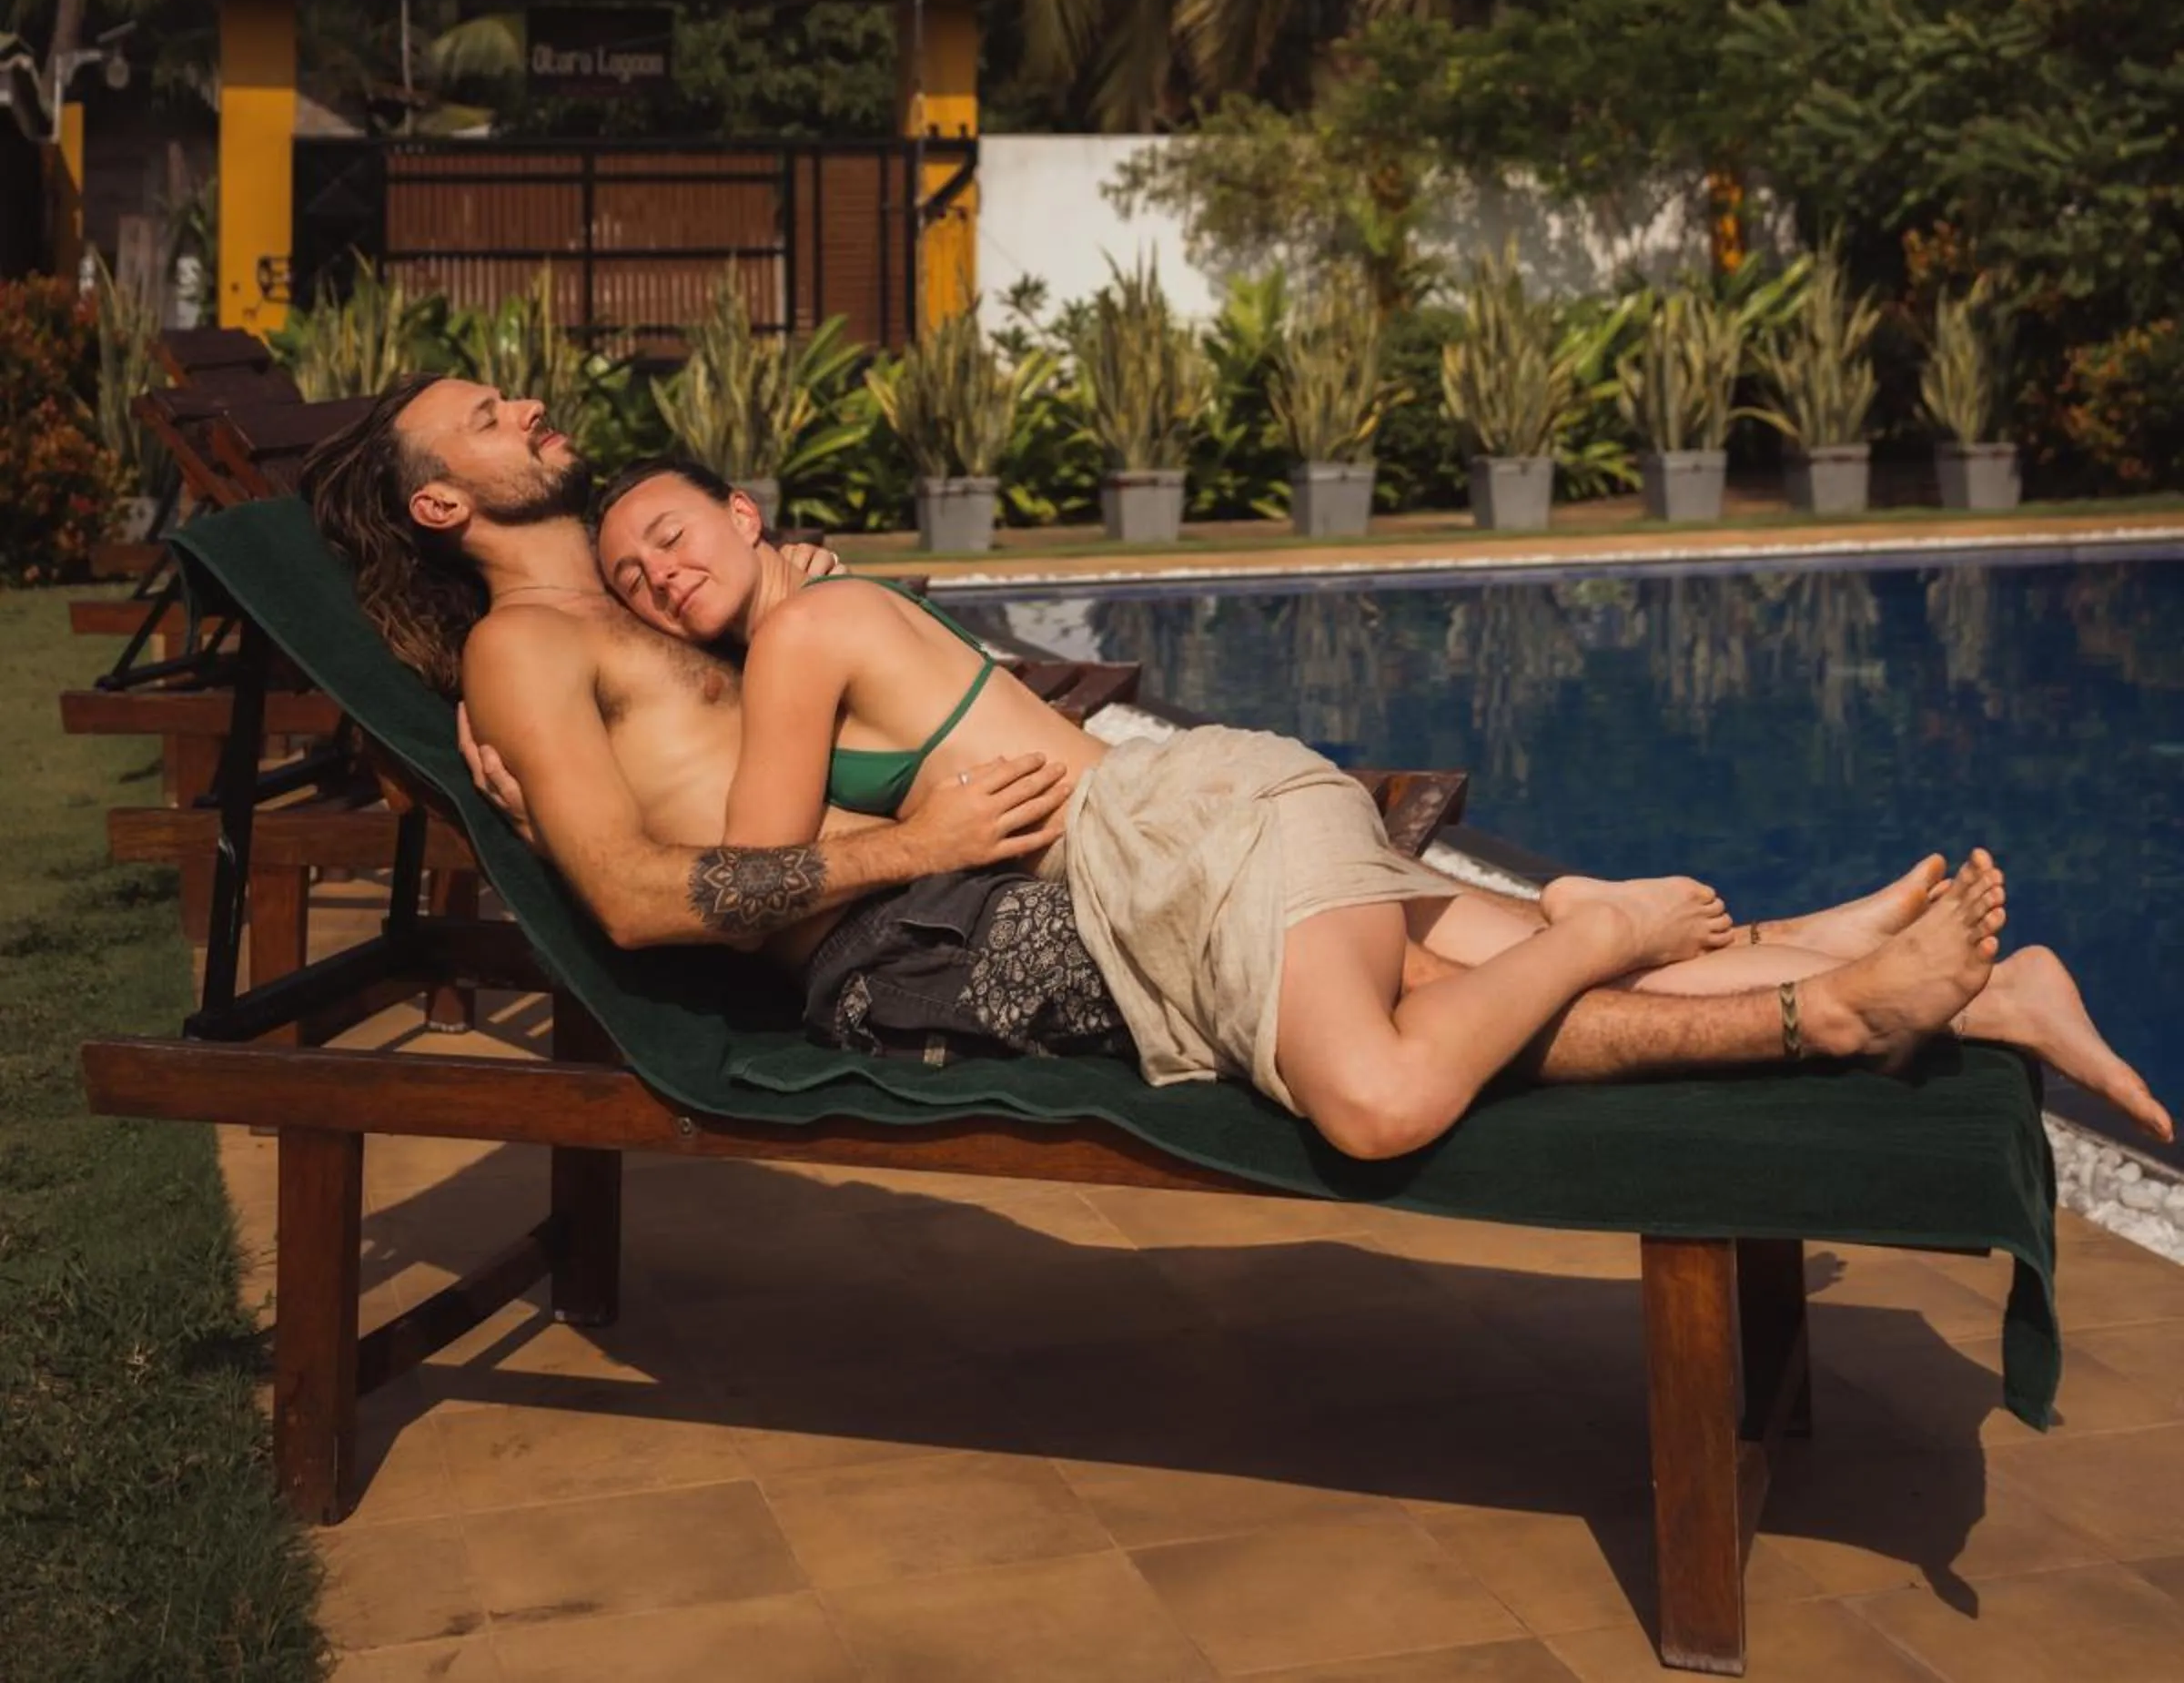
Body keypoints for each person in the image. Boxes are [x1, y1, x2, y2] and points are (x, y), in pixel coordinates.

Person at [306, 376, 2172, 1156]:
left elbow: (752, 756)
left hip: (1055, 859)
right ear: (444, 501)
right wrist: (915, 835)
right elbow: (638, 895)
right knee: (1417, 991)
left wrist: (882, 760)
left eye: (672, 540)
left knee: (1426, 990)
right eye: (489, 417)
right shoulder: (528, 646)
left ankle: (1825, 987)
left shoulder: (692, 632)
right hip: (932, 925)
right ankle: (1879, 991)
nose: (531, 407)